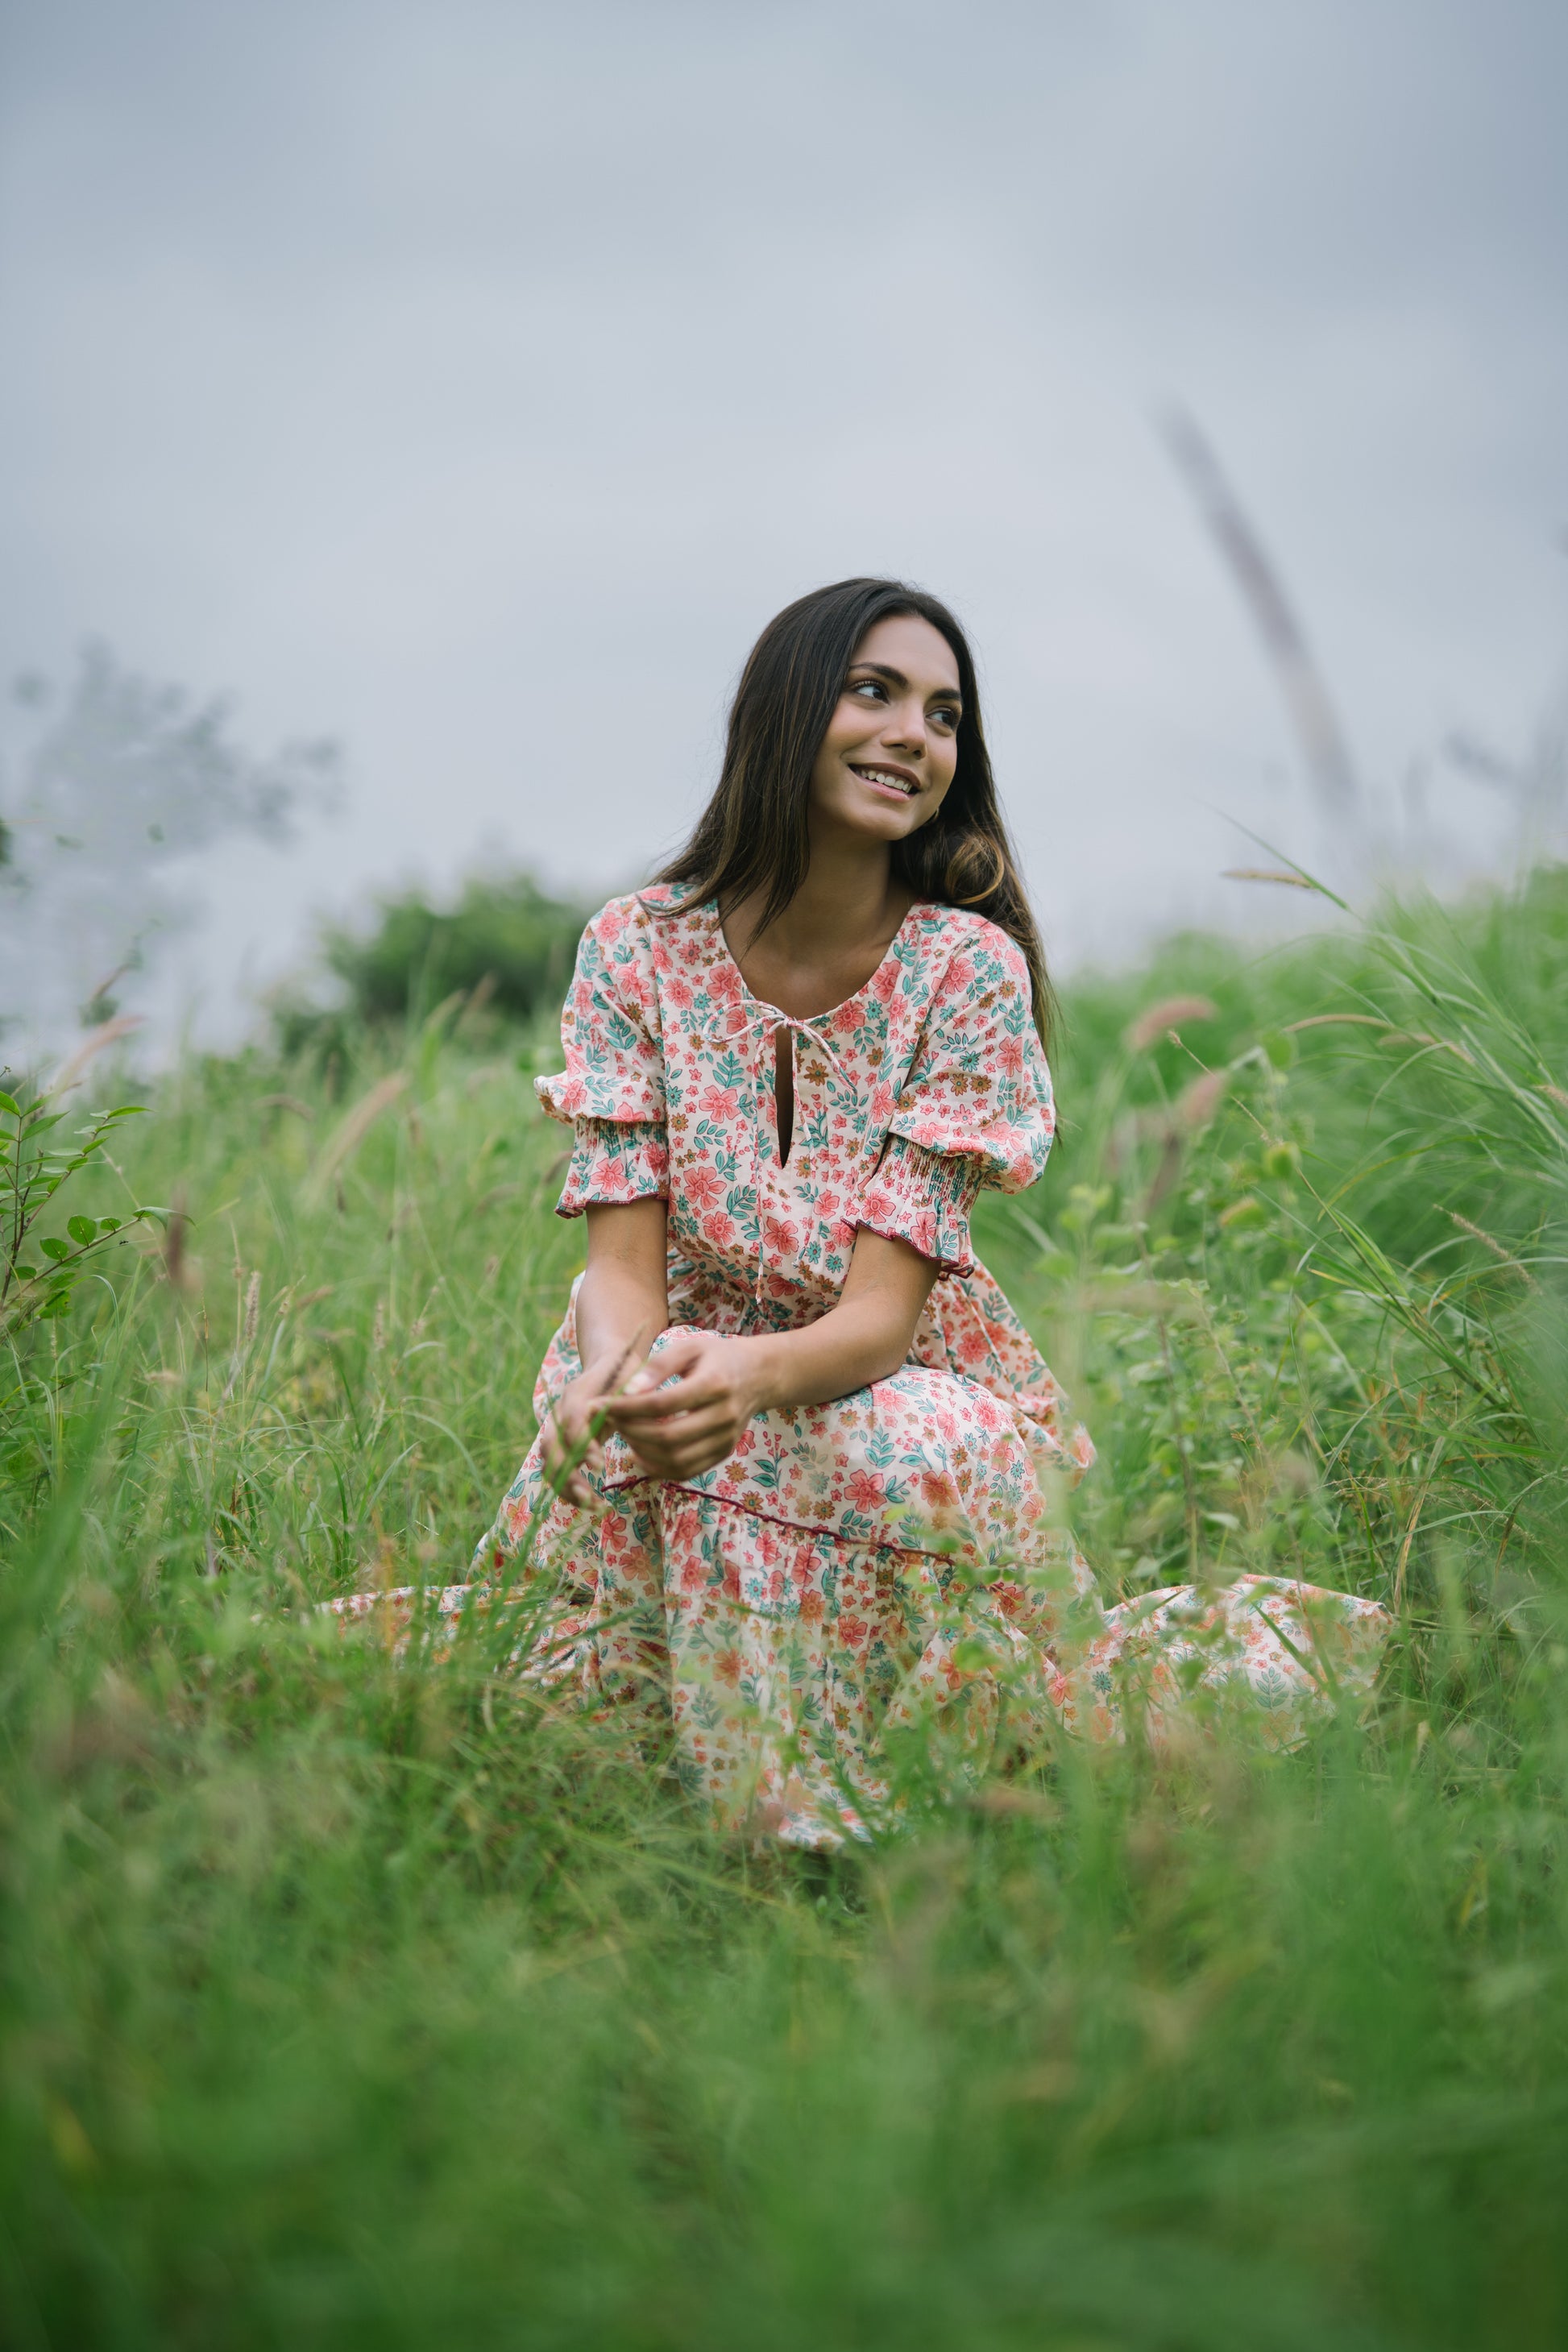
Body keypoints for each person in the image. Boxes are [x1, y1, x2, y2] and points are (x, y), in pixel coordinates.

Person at [341, 578, 1389, 1845]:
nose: (912, 735)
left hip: (887, 1392)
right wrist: (610, 1379)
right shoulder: (632, 947)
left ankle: (818, 1772)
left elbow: (882, 1319)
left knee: (852, 1442)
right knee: (612, 1475)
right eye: (873, 692)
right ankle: (715, 1736)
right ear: (786, 707)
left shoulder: (965, 971)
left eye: (943, 715)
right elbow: (621, 1268)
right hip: (680, 1363)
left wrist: (739, 1379)